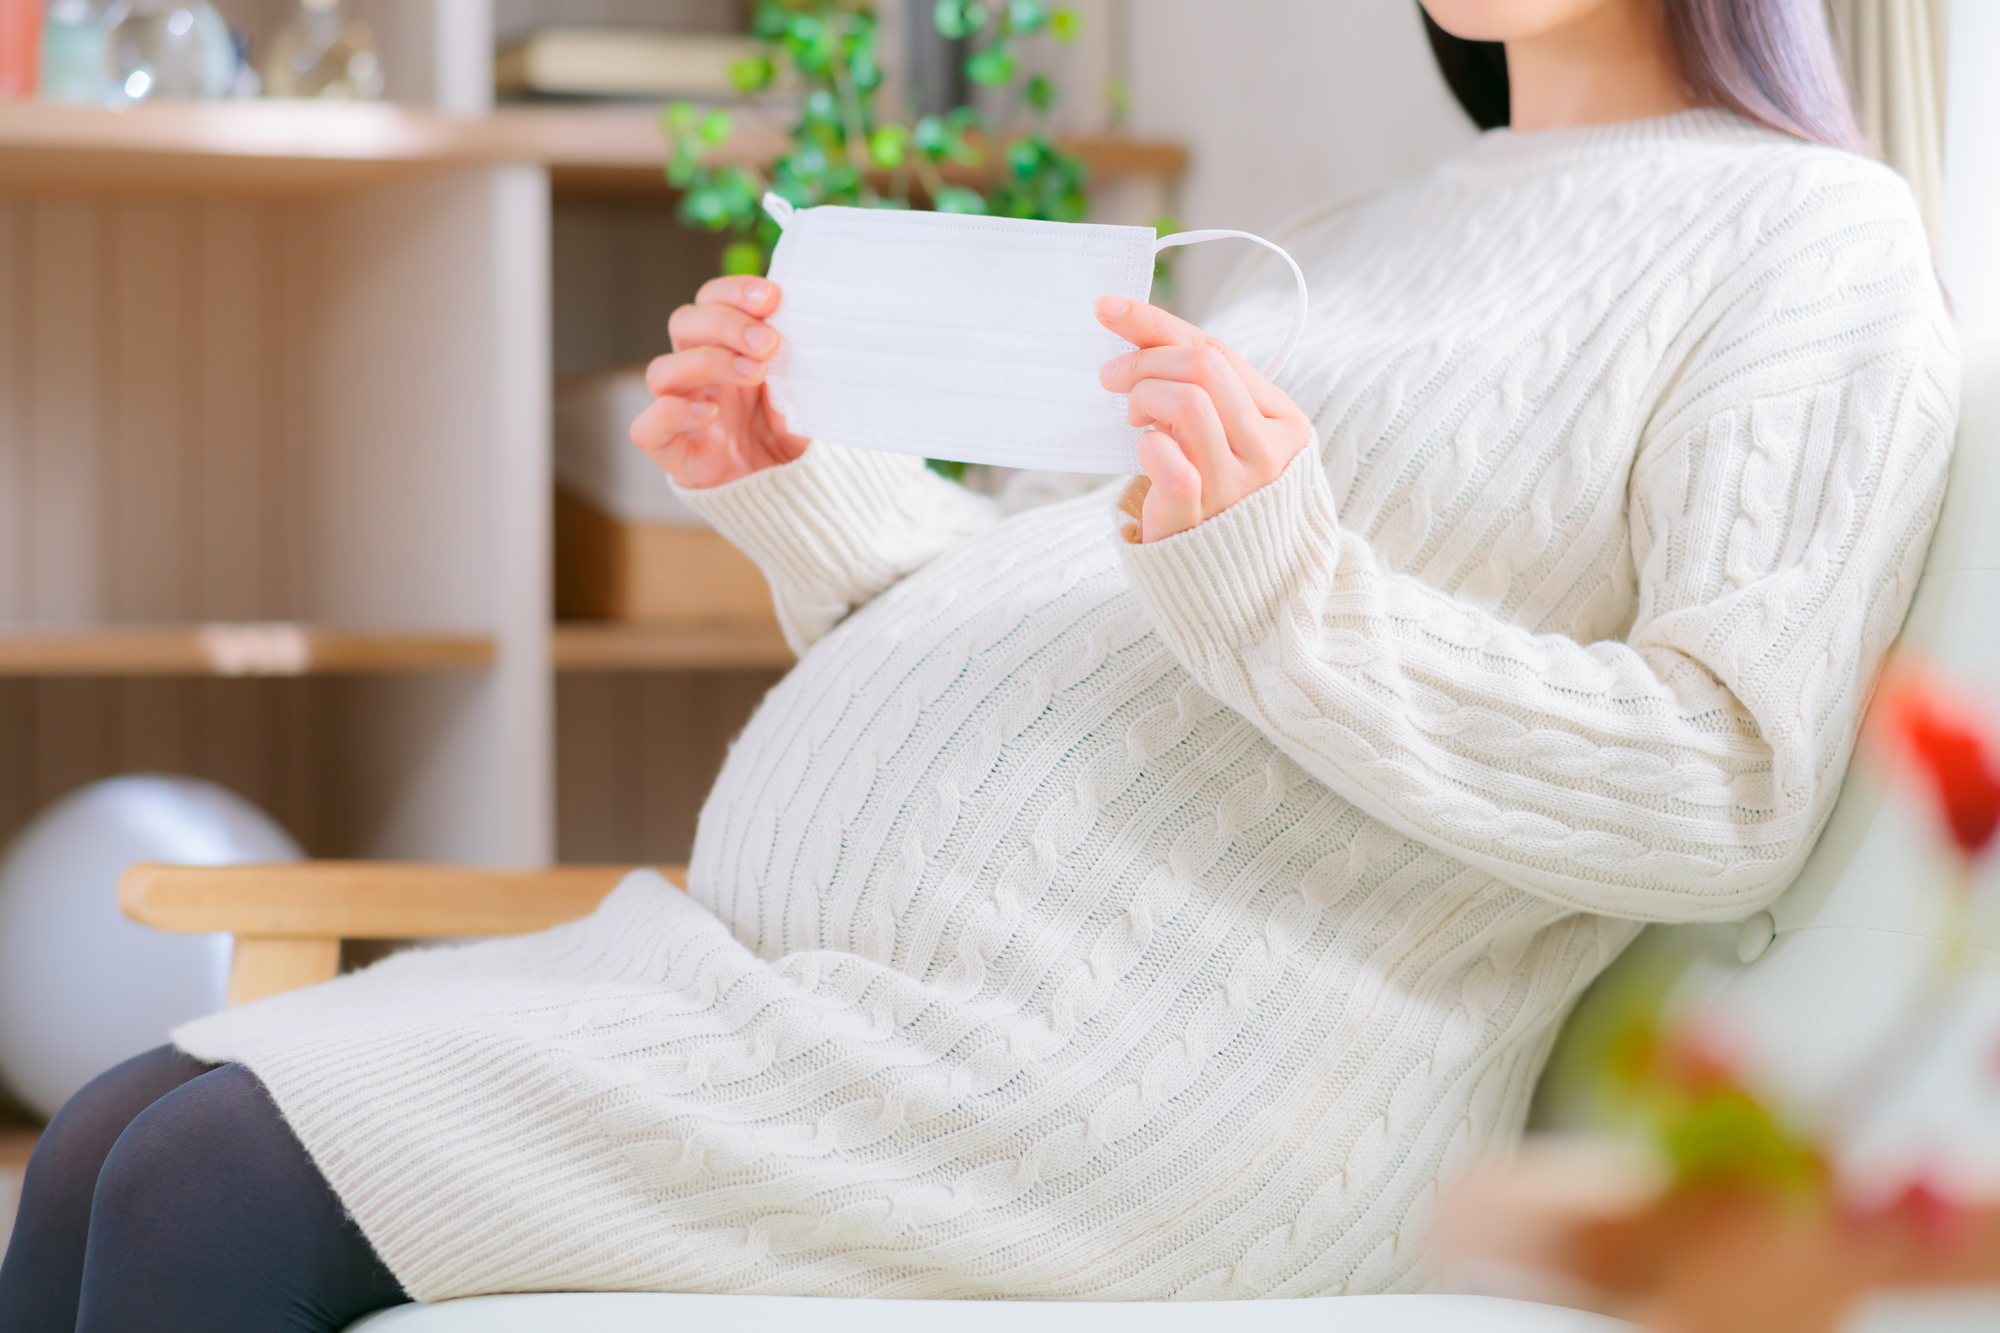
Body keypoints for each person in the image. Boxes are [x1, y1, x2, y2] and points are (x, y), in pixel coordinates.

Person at [0, 1, 1956, 1328]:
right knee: (106, 1137)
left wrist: (1285, 583)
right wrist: (811, 492)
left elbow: (1723, 782)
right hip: (836, 995)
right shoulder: (1367, 232)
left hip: (1153, 1084)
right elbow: (1082, 624)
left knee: (201, 1189)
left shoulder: (1809, 239)